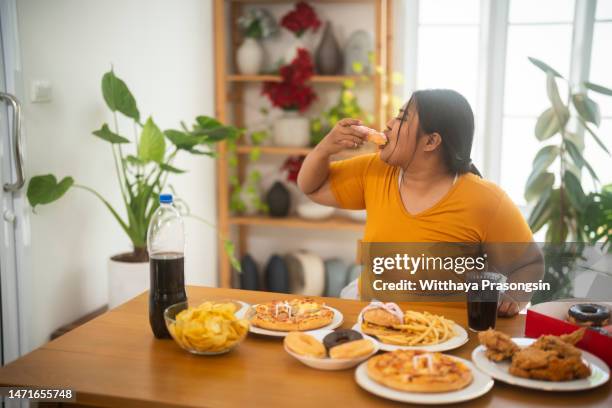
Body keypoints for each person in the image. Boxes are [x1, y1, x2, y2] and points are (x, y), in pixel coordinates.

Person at [297, 89, 543, 317]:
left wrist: (514, 298)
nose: (389, 124)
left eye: (402, 118)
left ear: (431, 142)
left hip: (447, 334)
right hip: (374, 318)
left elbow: (530, 264)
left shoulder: (486, 200)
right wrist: (324, 149)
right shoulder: (375, 170)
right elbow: (312, 187)